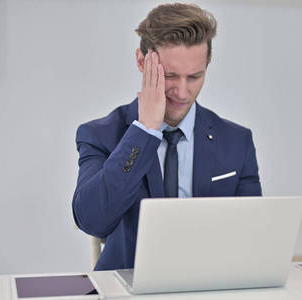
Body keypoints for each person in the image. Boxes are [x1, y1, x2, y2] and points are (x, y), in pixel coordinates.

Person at [72, 3, 262, 271]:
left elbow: (254, 235)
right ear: (142, 62)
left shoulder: (237, 141)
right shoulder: (100, 135)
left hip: (212, 287)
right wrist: (145, 131)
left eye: (195, 76)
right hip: (130, 287)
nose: (183, 93)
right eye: (170, 76)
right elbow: (92, 220)